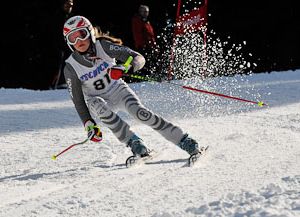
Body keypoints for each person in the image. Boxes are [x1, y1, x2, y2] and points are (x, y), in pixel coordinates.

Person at [62, 15, 202, 160]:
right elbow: (78, 100)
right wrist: (89, 124)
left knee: (141, 114)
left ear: (90, 32)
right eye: (73, 38)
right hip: (98, 101)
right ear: (69, 42)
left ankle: (186, 141)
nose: (78, 41)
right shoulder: (71, 67)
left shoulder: (103, 46)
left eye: (82, 35)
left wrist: (125, 67)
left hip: (117, 90)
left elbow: (139, 58)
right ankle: (136, 144)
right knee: (97, 104)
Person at [52, 0, 75, 89]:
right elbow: (56, 32)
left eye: (70, 6)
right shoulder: (59, 16)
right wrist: (59, 45)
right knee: (61, 63)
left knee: (69, 63)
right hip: (61, 45)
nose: (68, 8)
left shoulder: (71, 17)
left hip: (69, 45)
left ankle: (65, 82)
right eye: (66, 5)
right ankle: (57, 83)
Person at [132, 5, 157, 74]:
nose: (146, 13)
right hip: (142, 46)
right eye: (144, 11)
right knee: (144, 62)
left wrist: (154, 46)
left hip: (149, 46)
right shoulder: (137, 20)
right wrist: (143, 45)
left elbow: (151, 35)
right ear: (140, 12)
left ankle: (150, 74)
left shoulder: (146, 21)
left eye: (147, 12)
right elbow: (137, 34)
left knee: (151, 62)